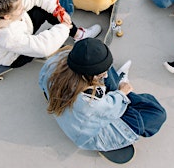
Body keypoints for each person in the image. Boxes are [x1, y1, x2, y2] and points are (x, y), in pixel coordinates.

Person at [39, 38, 167, 152]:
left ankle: (117, 86)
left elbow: (42, 81)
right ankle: (120, 85)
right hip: (94, 134)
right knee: (156, 113)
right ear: (85, 76)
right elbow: (108, 109)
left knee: (102, 61)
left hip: (84, 109)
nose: (105, 75)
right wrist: (122, 93)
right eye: (101, 75)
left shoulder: (59, 58)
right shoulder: (89, 103)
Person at [0, 0, 101, 67]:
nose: (23, 7)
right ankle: (63, 49)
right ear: (7, 16)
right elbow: (43, 47)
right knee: (50, 42)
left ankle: (78, 35)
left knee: (42, 8)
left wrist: (58, 11)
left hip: (24, 29)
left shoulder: (4, 8)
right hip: (15, 56)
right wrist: (63, 28)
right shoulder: (7, 36)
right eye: (20, 8)